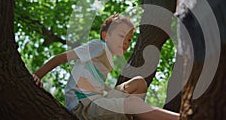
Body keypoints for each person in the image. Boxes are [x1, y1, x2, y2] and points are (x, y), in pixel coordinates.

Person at [33, 14, 179, 120]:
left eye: (129, 39)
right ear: (106, 36)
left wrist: (117, 92)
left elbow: (99, 84)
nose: (126, 42)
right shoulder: (98, 46)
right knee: (132, 103)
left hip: (96, 102)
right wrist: (37, 75)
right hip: (82, 108)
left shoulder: (107, 58)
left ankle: (133, 113)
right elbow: (61, 57)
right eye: (121, 36)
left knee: (139, 83)